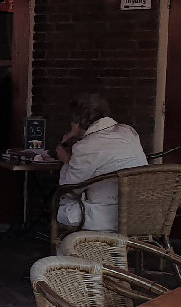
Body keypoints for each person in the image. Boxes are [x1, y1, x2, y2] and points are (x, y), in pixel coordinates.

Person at [56, 93, 148, 232]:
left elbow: (69, 189)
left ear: (76, 122)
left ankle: (74, 248)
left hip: (108, 218)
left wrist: (67, 160)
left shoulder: (86, 146)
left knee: (60, 208)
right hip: (140, 215)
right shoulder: (129, 132)